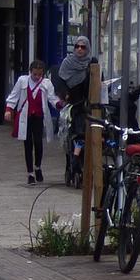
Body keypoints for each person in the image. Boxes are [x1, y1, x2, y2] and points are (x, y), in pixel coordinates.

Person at [5, 58, 62, 184]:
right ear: (30, 72)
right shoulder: (22, 81)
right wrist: (9, 109)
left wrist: (59, 104)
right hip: (25, 116)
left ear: (43, 73)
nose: (37, 77)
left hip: (39, 117)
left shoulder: (47, 83)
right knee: (27, 144)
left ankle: (38, 167)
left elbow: (52, 98)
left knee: (38, 143)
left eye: (39, 74)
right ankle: (30, 173)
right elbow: (14, 95)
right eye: (34, 74)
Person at [53, 34, 92, 185]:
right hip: (73, 104)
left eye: (83, 47)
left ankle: (84, 163)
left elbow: (97, 83)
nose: (80, 49)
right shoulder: (67, 63)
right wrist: (65, 95)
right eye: (77, 46)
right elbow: (60, 82)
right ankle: (72, 165)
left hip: (88, 104)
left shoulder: (91, 64)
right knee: (75, 134)